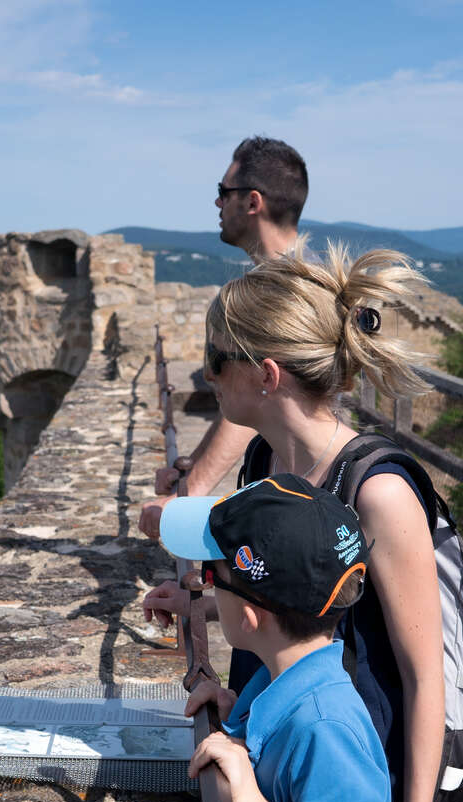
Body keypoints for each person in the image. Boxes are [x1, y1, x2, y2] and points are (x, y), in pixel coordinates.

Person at [143, 246, 443, 802]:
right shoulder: (264, 460)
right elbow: (269, 585)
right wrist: (203, 595)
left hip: (339, 787)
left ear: (267, 375)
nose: (208, 377)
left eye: (219, 360)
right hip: (272, 746)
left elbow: (424, 675)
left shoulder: (378, 494)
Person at [160, 472, 388, 802]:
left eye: (210, 574)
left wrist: (247, 799)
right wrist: (234, 714)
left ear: (249, 617)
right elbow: (286, 774)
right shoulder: (283, 678)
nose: (204, 584)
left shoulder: (324, 726)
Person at [138, 135, 307, 544]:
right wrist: (190, 468)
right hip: (291, 494)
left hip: (299, 506)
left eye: (222, 192)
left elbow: (263, 395)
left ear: (252, 202)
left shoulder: (283, 292)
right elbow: (242, 400)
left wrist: (188, 497)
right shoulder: (294, 277)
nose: (217, 203)